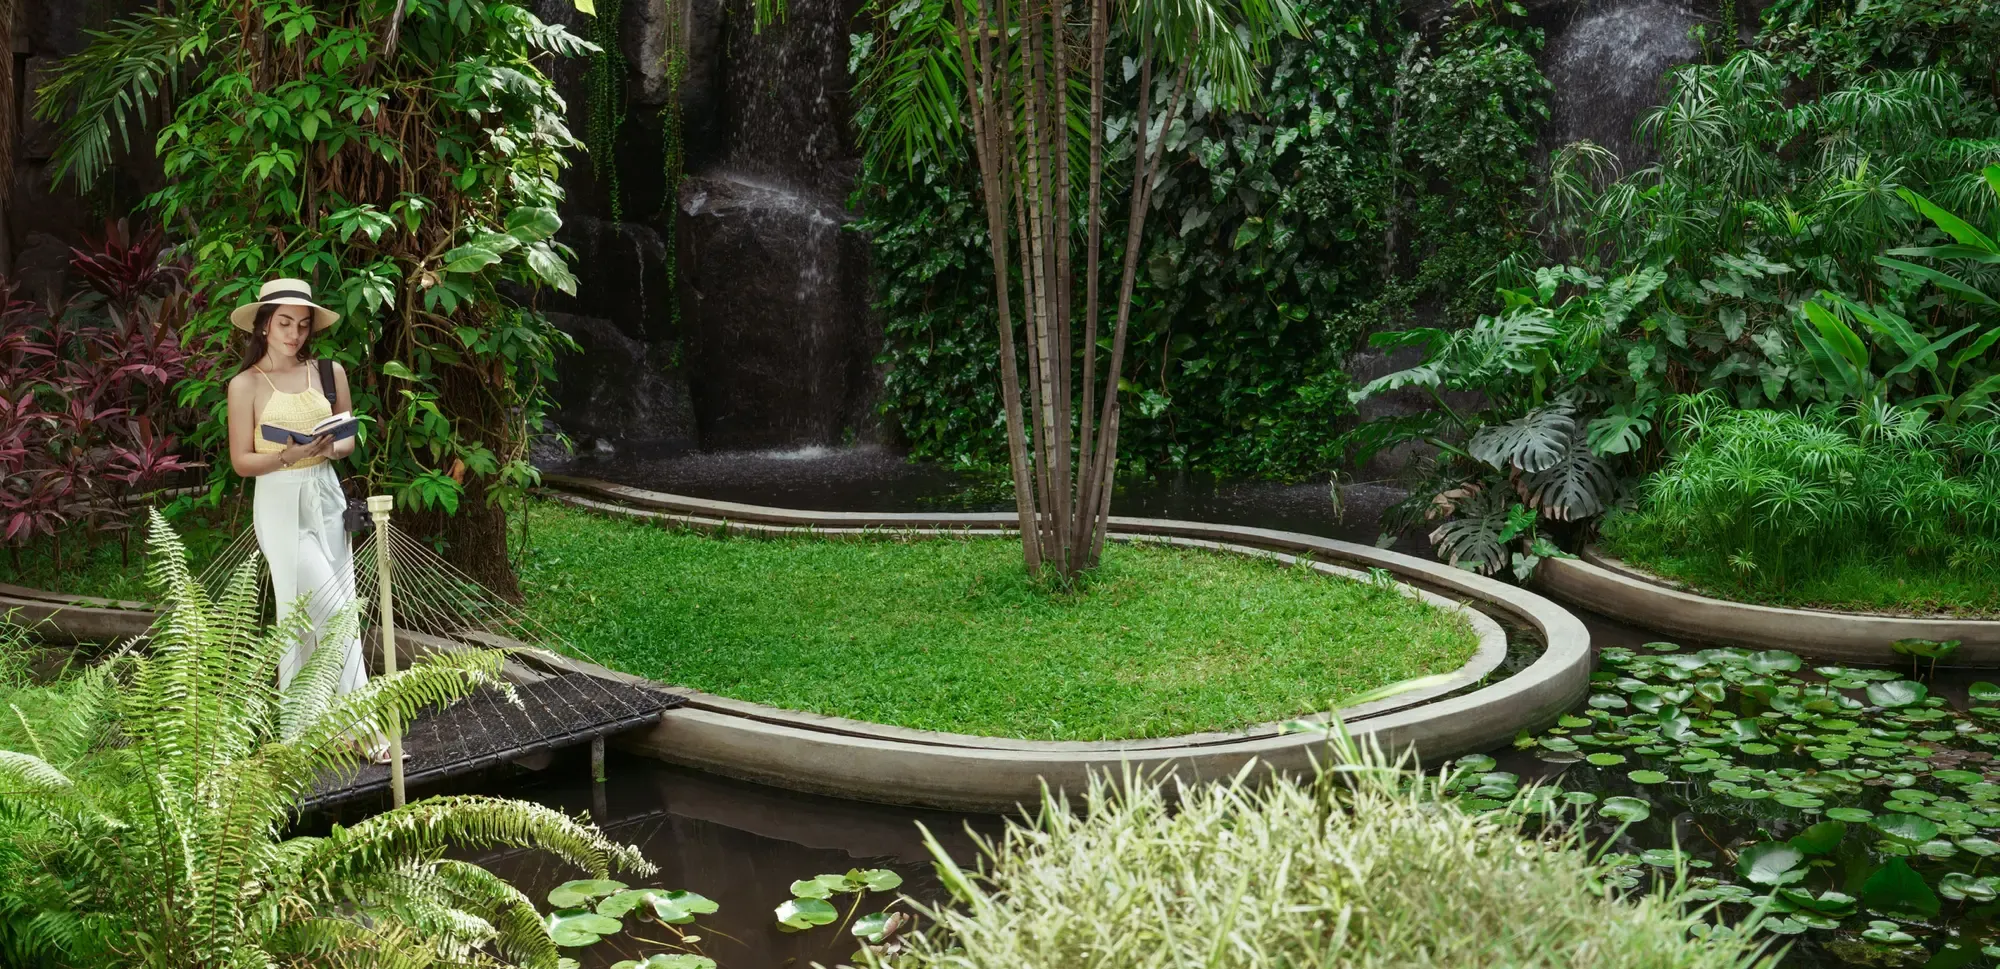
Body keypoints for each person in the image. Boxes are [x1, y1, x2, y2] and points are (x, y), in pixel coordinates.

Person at [224, 277, 390, 762]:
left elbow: (347, 440)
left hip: (326, 492)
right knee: (322, 610)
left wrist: (323, 449)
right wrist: (288, 457)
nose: (294, 334)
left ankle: (319, 729)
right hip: (278, 500)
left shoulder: (328, 371)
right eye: (283, 323)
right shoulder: (246, 384)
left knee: (337, 605)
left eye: (302, 325)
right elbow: (241, 460)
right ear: (263, 324)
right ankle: (359, 729)